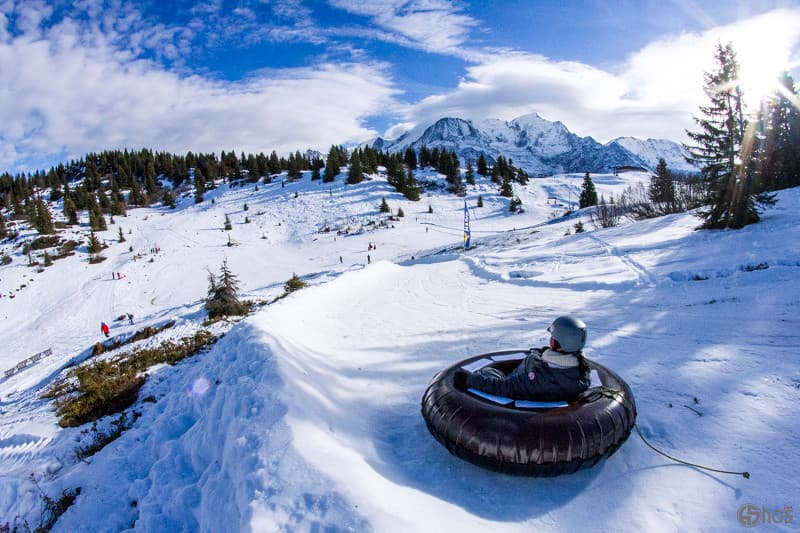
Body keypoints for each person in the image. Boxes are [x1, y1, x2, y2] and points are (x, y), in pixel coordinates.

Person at [454, 316, 591, 402]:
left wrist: (469, 379)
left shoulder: (540, 377)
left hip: (516, 387)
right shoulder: (581, 370)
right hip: (531, 381)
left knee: (484, 373)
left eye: (552, 337)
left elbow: (503, 387)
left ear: (557, 342)